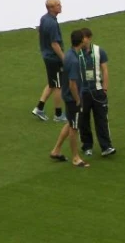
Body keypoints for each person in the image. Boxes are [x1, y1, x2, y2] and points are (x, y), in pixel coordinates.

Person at [49, 29, 90, 167]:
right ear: (82, 41)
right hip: (73, 98)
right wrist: (78, 99)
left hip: (68, 96)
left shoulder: (69, 55)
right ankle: (76, 157)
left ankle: (56, 150)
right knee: (74, 127)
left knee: (70, 123)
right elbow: (72, 84)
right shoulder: (73, 60)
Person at [79, 27, 116, 157]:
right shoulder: (76, 53)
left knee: (101, 119)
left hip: (98, 90)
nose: (81, 42)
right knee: (83, 120)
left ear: (89, 38)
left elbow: (105, 70)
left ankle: (106, 146)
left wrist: (104, 89)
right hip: (82, 92)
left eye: (83, 39)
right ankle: (87, 146)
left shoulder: (99, 51)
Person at [32, 0, 66, 122]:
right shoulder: (51, 23)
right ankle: (58, 115)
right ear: (51, 8)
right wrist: (63, 58)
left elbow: (40, 32)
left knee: (52, 84)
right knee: (58, 85)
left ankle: (39, 108)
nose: (61, 6)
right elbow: (54, 44)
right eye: (58, 5)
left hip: (47, 55)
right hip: (53, 58)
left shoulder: (44, 18)